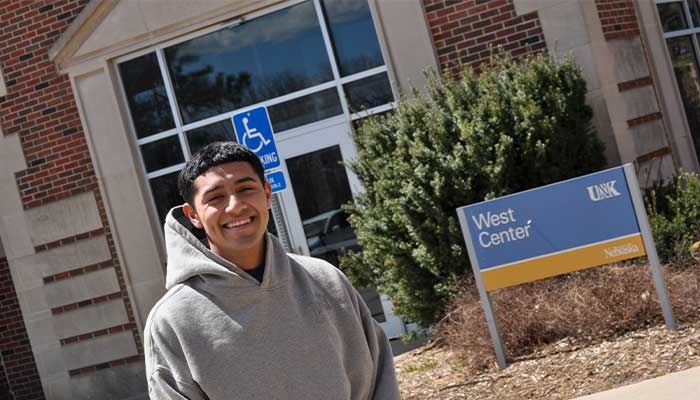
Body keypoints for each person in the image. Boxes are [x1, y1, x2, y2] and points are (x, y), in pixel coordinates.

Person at [144, 142, 400, 399]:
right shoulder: (172, 320)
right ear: (193, 215)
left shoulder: (325, 280)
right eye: (216, 197)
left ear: (267, 194)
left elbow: (380, 375)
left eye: (246, 189)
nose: (235, 206)